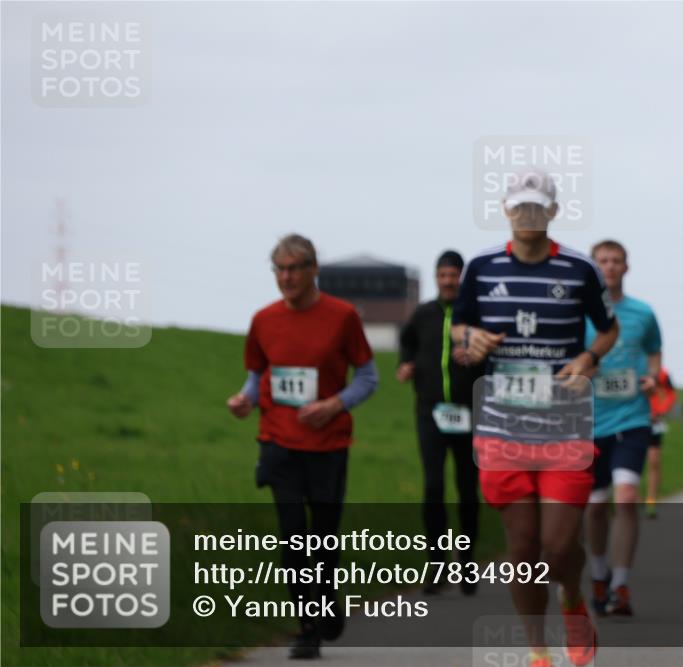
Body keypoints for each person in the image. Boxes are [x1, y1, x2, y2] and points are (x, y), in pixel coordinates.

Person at [451, 169, 619, 667]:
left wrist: (589, 359)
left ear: (552, 211)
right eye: (518, 206)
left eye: (536, 206)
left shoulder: (579, 268)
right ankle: (538, 650)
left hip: (563, 422)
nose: (527, 215)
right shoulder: (480, 267)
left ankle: (571, 597)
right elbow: (460, 327)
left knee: (557, 544)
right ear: (506, 210)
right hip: (503, 424)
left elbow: (607, 331)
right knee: (522, 550)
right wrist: (468, 341)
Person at [226, 234, 378, 659]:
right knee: (293, 539)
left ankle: (328, 602)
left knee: (323, 537)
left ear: (314, 269)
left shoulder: (342, 317)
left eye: (295, 268)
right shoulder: (263, 320)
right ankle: (308, 628)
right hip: (278, 441)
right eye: (280, 269)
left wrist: (334, 404)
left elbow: (369, 378)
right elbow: (258, 376)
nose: (287, 277)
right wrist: (245, 399)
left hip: (329, 444)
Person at [397, 250, 484, 595]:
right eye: (442, 276)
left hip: (470, 412)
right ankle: (436, 562)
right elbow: (407, 342)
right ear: (436, 279)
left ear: (461, 278)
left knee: (466, 489)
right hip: (430, 412)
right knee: (433, 486)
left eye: (453, 275)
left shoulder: (476, 316)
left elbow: (493, 352)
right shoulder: (423, 315)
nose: (448, 282)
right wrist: (406, 364)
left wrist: (478, 355)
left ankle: (467, 561)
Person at [583, 240, 662, 617]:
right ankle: (599, 574)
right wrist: (582, 368)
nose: (610, 267)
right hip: (589, 422)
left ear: (626, 268)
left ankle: (620, 585)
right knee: (596, 507)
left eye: (616, 261)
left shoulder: (643, 313)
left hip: (632, 418)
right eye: (603, 262)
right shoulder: (579, 315)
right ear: (593, 268)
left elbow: (654, 351)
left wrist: (651, 377)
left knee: (627, 496)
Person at [644, 368, 676, 519]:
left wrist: (661, 410)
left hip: (654, 422)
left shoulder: (661, 372)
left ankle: (651, 501)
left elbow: (671, 393)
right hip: (630, 421)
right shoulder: (627, 364)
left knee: (654, 461)